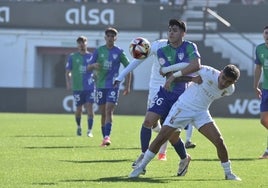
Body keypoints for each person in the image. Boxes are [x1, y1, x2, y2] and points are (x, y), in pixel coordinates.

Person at [129, 64, 242, 181]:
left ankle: (229, 173)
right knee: (162, 137)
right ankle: (140, 167)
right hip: (182, 108)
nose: (224, 83)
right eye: (223, 78)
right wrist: (179, 76)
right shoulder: (207, 72)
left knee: (219, 140)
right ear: (221, 71)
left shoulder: (230, 90)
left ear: (234, 82)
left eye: (229, 82)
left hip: (201, 113)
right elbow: (188, 68)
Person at [128, 19, 201, 175]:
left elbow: (195, 66)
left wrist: (179, 76)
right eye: (169, 30)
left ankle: (184, 158)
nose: (171, 33)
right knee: (148, 121)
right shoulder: (162, 51)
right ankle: (143, 156)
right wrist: (183, 75)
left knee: (172, 134)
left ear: (183, 33)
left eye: (174, 30)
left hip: (182, 96)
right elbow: (168, 74)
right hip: (165, 93)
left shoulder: (189, 46)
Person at [87, 27, 132, 147]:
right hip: (100, 85)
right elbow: (88, 67)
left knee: (109, 110)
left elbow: (129, 68)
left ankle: (107, 137)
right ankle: (104, 137)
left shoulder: (119, 52)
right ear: (105, 37)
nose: (111, 38)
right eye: (109, 36)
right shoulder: (98, 51)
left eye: (113, 36)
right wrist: (93, 65)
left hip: (113, 85)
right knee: (103, 113)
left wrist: (127, 86)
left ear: (115, 38)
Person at [65, 36, 95, 137]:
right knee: (79, 109)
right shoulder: (72, 57)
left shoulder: (91, 56)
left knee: (90, 108)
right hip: (77, 87)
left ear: (87, 43)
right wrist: (69, 82)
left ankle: (89, 130)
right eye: (79, 43)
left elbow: (96, 71)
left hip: (90, 87)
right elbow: (68, 71)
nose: (81, 44)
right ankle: (79, 127)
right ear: (77, 45)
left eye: (83, 42)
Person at [253, 25, 268, 159]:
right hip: (266, 89)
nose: (267, 36)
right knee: (263, 120)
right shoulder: (259, 49)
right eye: (266, 33)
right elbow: (258, 68)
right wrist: (255, 85)